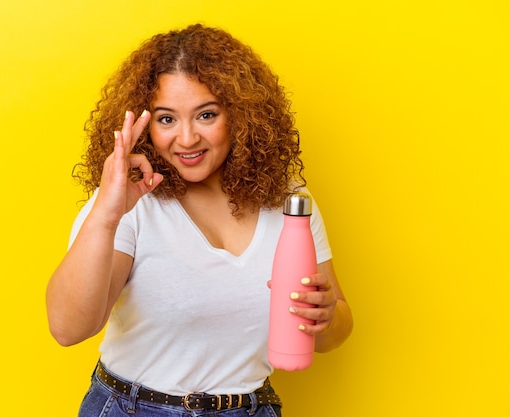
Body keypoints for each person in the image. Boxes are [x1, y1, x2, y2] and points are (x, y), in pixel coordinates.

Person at [46, 23, 353, 417]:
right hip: (134, 408)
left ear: (240, 115)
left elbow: (333, 330)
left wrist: (325, 317)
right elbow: (68, 329)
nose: (187, 138)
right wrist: (107, 213)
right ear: (146, 124)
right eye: (167, 119)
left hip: (249, 409)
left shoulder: (289, 201)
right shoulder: (130, 201)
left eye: (206, 115)